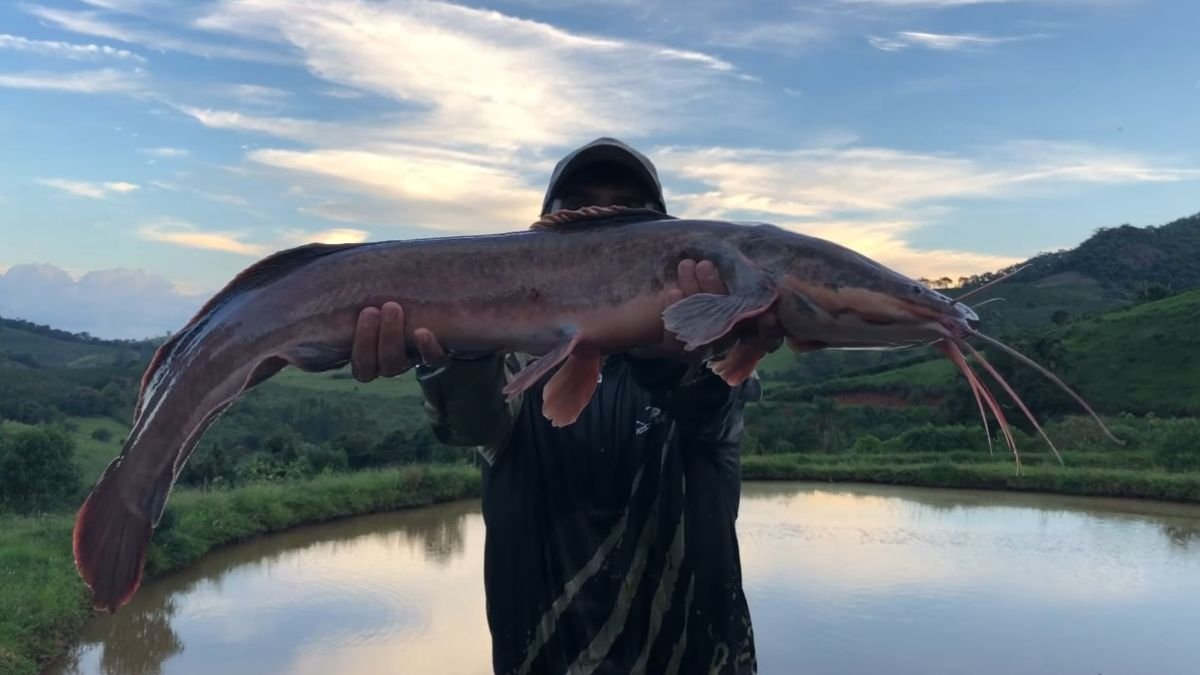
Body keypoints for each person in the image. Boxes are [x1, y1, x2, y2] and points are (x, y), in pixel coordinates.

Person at [350, 138, 782, 675]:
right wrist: (449, 354)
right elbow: (469, 423)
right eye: (578, 210)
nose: (603, 224)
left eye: (631, 213)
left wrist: (677, 353)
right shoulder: (513, 368)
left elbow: (714, 412)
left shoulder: (720, 357)